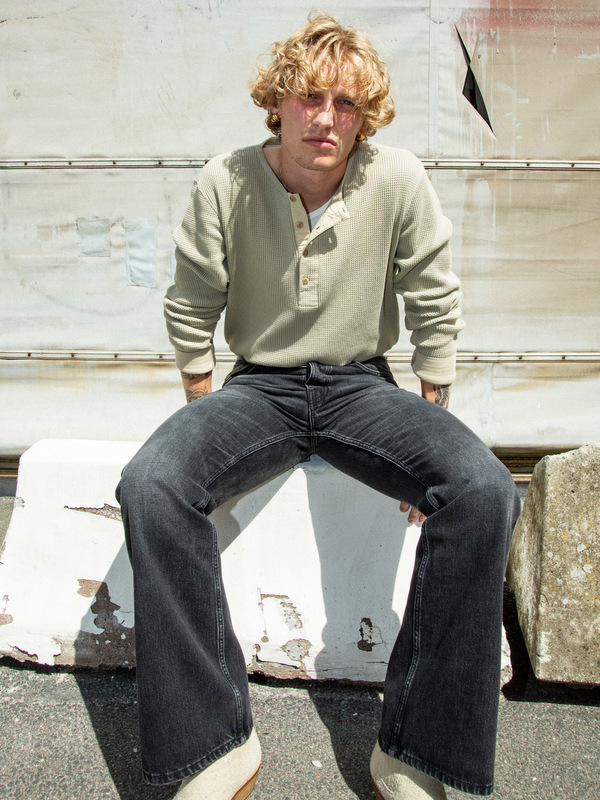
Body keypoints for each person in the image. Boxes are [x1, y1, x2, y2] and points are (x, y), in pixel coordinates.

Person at [116, 13, 520, 800]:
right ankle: (215, 745)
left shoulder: (396, 179)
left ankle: (415, 755)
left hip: (361, 384)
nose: (326, 118)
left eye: (346, 102)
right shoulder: (226, 181)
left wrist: (433, 420)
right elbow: (192, 303)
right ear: (278, 102)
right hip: (258, 386)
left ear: (366, 116)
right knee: (153, 483)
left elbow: (434, 299)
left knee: (482, 488)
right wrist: (201, 409)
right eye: (310, 97)